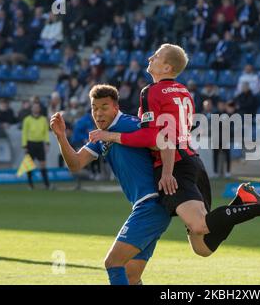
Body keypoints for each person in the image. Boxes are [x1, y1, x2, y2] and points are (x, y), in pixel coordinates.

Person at [89, 43, 260, 260]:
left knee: (199, 226)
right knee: (203, 247)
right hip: (192, 161)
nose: (150, 57)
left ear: (167, 68)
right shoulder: (184, 91)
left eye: (157, 56)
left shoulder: (150, 92)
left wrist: (112, 136)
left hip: (174, 167)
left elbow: (155, 137)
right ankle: (242, 200)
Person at [50, 84, 171, 285]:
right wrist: (61, 137)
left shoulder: (130, 124)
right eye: (94, 108)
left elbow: (165, 141)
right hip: (149, 207)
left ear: (115, 107)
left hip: (151, 204)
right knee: (131, 277)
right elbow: (76, 164)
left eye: (104, 107)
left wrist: (167, 174)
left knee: (112, 263)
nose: (98, 113)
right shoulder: (100, 136)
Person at [21, 102, 51, 190]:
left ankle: (47, 185)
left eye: (37, 107)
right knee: (29, 165)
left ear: (39, 109)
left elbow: (46, 132)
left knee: (43, 164)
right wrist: (24, 145)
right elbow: (24, 133)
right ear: (32, 109)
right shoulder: (27, 120)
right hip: (30, 144)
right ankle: (30, 185)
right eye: (34, 107)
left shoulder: (43, 119)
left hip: (40, 144)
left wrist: (47, 143)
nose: (36, 109)